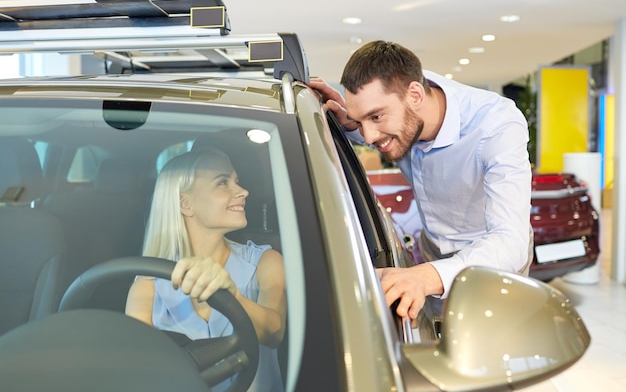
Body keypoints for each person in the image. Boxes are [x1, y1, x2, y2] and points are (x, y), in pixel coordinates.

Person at [309, 40, 533, 320]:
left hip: (490, 262)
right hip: (432, 253)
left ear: (415, 95)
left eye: (376, 116)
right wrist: (347, 122)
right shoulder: (404, 104)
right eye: (361, 122)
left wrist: (426, 277)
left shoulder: (496, 125)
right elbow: (377, 132)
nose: (367, 137)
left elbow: (510, 242)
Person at [125, 147, 286, 392]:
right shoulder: (146, 287)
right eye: (223, 182)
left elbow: (274, 332)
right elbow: (138, 376)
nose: (243, 191)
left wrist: (232, 295)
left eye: (237, 181)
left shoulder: (265, 261)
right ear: (185, 203)